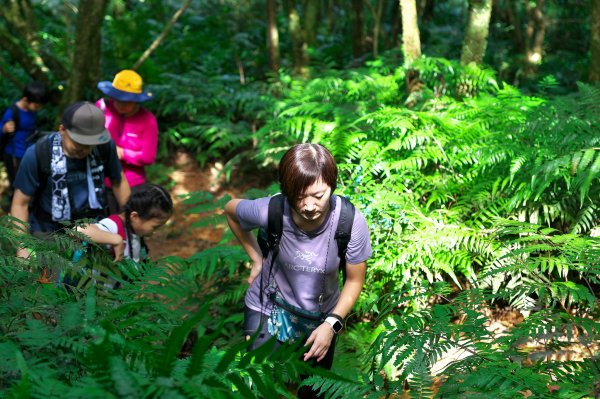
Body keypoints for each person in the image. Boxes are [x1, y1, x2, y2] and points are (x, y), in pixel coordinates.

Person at [224, 143, 372, 399]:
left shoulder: (349, 221)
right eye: (299, 196)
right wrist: (256, 258)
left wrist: (332, 324)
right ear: (287, 191)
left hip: (321, 319)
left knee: (314, 391)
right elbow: (231, 210)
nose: (309, 206)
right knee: (259, 386)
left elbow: (355, 280)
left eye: (319, 195)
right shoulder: (271, 209)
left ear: (332, 186)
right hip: (266, 307)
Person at [10, 101, 131, 259]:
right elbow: (20, 203)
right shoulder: (38, 154)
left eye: (91, 145)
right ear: (62, 130)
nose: (86, 150)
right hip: (49, 231)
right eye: (79, 143)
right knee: (52, 282)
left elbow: (118, 181)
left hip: (95, 228)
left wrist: (128, 221)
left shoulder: (104, 146)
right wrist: (22, 246)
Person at [96, 70, 158, 212]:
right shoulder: (102, 107)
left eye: (127, 101)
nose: (122, 104)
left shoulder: (148, 120)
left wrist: (123, 153)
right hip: (101, 181)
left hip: (133, 185)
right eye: (118, 99)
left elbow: (148, 157)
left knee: (131, 227)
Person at [76, 183, 173, 263]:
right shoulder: (113, 226)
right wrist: (116, 239)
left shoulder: (136, 232)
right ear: (134, 216)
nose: (155, 232)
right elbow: (79, 230)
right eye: (155, 227)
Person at [1, 81, 50, 198]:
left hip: (28, 152)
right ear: (25, 99)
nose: (38, 109)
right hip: (14, 154)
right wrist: (4, 129)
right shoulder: (12, 112)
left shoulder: (31, 111)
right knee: (18, 185)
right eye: (37, 106)